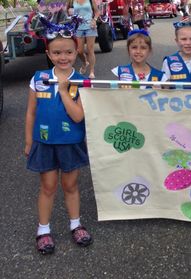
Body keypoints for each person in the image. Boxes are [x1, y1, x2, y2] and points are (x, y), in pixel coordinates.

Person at [24, 17, 92, 255]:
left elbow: (77, 117)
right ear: (49, 54)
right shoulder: (39, 79)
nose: (63, 57)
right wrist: (29, 141)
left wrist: (64, 90)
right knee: (48, 186)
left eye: (69, 52)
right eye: (57, 53)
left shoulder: (82, 82)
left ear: (76, 52)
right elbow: (31, 113)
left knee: (71, 185)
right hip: (44, 143)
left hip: (70, 142)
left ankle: (76, 225)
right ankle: (43, 230)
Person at [161, 19, 191, 85]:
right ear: (177, 41)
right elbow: (164, 88)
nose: (188, 43)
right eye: (183, 39)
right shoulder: (168, 61)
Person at [69, 0, 99, 79]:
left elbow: (97, 12)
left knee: (90, 49)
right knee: (79, 51)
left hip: (90, 26)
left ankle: (92, 71)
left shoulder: (90, 0)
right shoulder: (71, 1)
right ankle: (85, 62)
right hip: (78, 27)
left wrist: (94, 20)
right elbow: (67, 14)